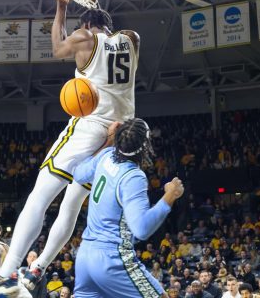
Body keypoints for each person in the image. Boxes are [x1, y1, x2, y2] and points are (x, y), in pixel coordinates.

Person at [0, 0, 141, 294]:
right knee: (73, 202)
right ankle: (39, 266)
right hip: (119, 136)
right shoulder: (132, 39)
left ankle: (7, 270)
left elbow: (56, 48)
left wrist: (61, 8)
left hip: (91, 125)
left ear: (85, 26)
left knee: (42, 193)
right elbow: (118, 38)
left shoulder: (84, 38)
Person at [71, 118, 185, 297]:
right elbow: (141, 229)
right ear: (145, 146)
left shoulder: (106, 155)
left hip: (85, 256)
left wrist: (108, 142)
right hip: (111, 259)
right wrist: (170, 195)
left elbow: (78, 174)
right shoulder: (133, 177)